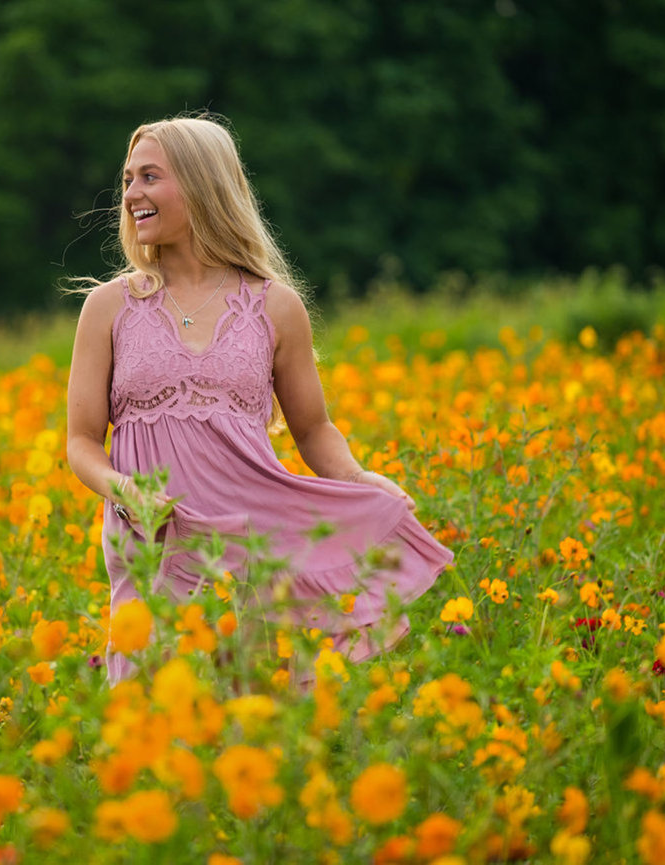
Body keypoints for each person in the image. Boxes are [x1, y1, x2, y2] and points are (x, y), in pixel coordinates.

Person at [66, 115, 453, 684]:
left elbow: (313, 429)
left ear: (202, 184)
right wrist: (124, 489)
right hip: (155, 535)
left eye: (149, 177)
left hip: (253, 535)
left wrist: (358, 478)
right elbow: (80, 441)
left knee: (246, 708)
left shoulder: (276, 307)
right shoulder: (108, 307)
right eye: (127, 180)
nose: (130, 195)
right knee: (150, 716)